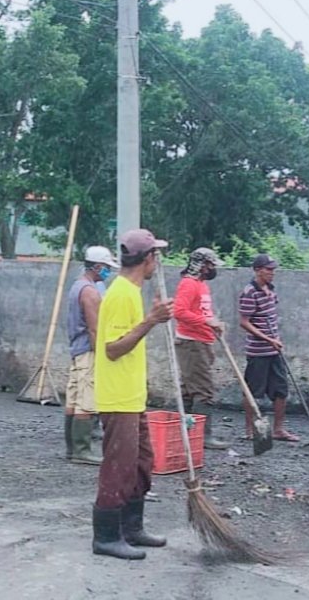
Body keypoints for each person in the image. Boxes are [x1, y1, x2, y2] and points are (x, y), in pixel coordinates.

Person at [91, 229, 172, 560]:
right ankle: (106, 536)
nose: (158, 262)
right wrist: (151, 321)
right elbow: (112, 348)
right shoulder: (121, 294)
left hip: (131, 395)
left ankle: (132, 528)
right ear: (148, 259)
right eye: (157, 256)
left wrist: (149, 318)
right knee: (119, 466)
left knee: (140, 464)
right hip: (118, 397)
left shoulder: (131, 292)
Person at [64, 245, 119, 465]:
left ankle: (72, 448)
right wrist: (101, 356)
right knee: (86, 400)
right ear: (97, 267)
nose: (108, 272)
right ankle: (82, 450)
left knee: (74, 398)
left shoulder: (77, 286)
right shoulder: (90, 292)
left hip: (77, 348)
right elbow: (95, 328)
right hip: (88, 349)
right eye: (106, 268)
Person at [173, 247, 231, 450]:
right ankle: (202, 436)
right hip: (191, 342)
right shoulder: (189, 284)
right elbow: (179, 312)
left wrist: (213, 323)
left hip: (201, 341)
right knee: (203, 391)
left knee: (189, 391)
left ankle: (186, 433)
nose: (213, 269)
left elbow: (203, 312)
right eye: (211, 265)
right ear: (203, 266)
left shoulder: (202, 285)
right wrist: (208, 323)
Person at [238, 254, 299, 442]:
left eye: (273, 269)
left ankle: (278, 429)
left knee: (281, 389)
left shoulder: (271, 290)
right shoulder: (249, 292)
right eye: (268, 269)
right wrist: (267, 339)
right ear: (257, 270)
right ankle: (249, 430)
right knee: (253, 391)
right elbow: (244, 322)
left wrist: (275, 339)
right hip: (258, 351)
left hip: (274, 350)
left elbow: (270, 318)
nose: (272, 273)